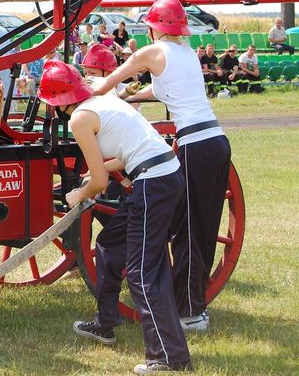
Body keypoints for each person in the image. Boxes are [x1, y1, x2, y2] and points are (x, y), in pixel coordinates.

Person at [91, 0, 232, 334]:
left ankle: (188, 313)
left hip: (195, 146)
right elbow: (165, 91)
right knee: (202, 227)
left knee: (184, 229)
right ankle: (194, 305)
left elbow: (112, 78)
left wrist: (96, 95)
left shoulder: (152, 52)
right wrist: (130, 98)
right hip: (216, 141)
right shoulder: (186, 54)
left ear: (153, 28)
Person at [39, 61, 191, 374]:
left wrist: (78, 194)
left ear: (60, 103)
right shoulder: (105, 102)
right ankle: (105, 323)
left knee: (143, 275)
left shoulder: (79, 119)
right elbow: (124, 155)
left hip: (153, 184)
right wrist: (95, 174)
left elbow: (98, 184)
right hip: (161, 176)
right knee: (108, 243)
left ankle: (170, 358)